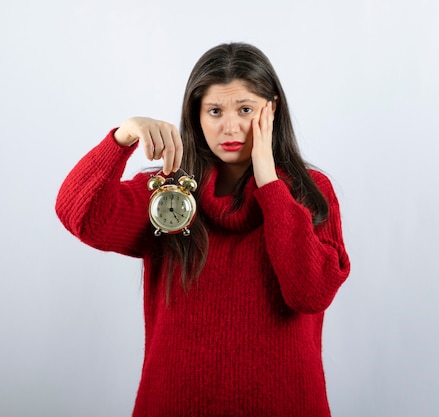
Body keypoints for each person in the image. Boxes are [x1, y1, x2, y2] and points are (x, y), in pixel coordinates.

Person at [56, 42, 351, 417]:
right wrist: (122, 138)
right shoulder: (167, 190)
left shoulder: (309, 191)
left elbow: (309, 293)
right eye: (214, 111)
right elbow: (78, 214)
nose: (230, 127)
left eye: (245, 110)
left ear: (271, 109)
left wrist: (269, 183)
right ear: (196, 116)